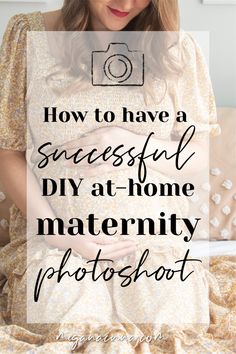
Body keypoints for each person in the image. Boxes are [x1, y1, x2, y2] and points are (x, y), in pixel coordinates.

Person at [0, 0, 220, 351]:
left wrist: (131, 142)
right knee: (75, 330)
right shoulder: (28, 34)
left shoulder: (177, 48)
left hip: (153, 245)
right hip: (57, 244)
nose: (125, 3)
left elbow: (197, 155)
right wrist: (60, 235)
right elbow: (7, 152)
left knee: (169, 333)